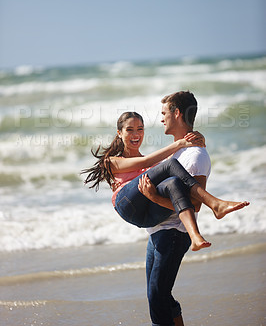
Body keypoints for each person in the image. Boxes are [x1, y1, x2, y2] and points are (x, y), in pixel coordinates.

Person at [138, 91, 249, 326]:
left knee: (156, 298)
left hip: (174, 234)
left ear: (177, 113)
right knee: (161, 296)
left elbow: (195, 204)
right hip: (159, 234)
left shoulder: (196, 155)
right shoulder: (178, 151)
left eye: (164, 113)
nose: (161, 119)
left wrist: (154, 199)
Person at [82, 111, 248, 252]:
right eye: (130, 130)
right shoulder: (112, 161)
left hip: (148, 217)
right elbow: (147, 162)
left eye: (140, 129)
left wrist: (199, 142)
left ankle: (195, 236)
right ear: (119, 133)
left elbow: (174, 164)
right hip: (127, 204)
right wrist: (180, 143)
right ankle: (214, 203)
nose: (136, 134)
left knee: (173, 183)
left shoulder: (154, 166)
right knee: (169, 166)